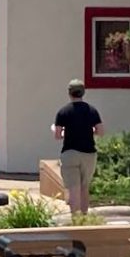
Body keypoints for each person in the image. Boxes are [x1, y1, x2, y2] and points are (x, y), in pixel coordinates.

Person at [52, 79, 103, 215]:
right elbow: (101, 131)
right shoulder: (92, 110)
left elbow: (57, 135)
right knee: (84, 187)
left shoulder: (63, 112)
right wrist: (89, 131)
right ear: (83, 92)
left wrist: (64, 132)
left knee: (73, 189)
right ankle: (84, 217)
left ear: (69, 93)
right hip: (89, 154)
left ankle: (76, 219)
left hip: (70, 153)